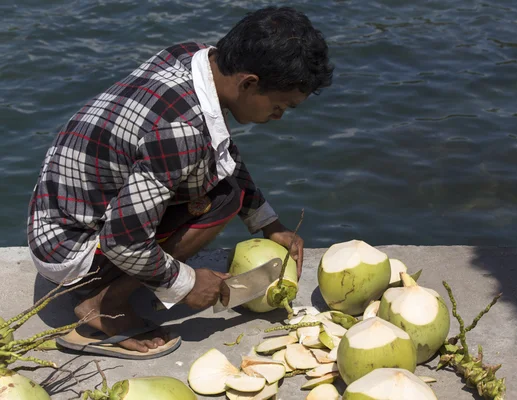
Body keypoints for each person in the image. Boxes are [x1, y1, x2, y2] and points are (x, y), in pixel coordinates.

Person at [26, 6, 334, 359]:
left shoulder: (192, 57)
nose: (278, 117)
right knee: (221, 201)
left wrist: (269, 223)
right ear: (248, 83)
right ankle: (105, 306)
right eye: (281, 106)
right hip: (70, 253)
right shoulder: (181, 130)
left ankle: (120, 285)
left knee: (221, 187)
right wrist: (185, 282)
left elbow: (221, 151)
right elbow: (123, 240)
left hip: (56, 217)